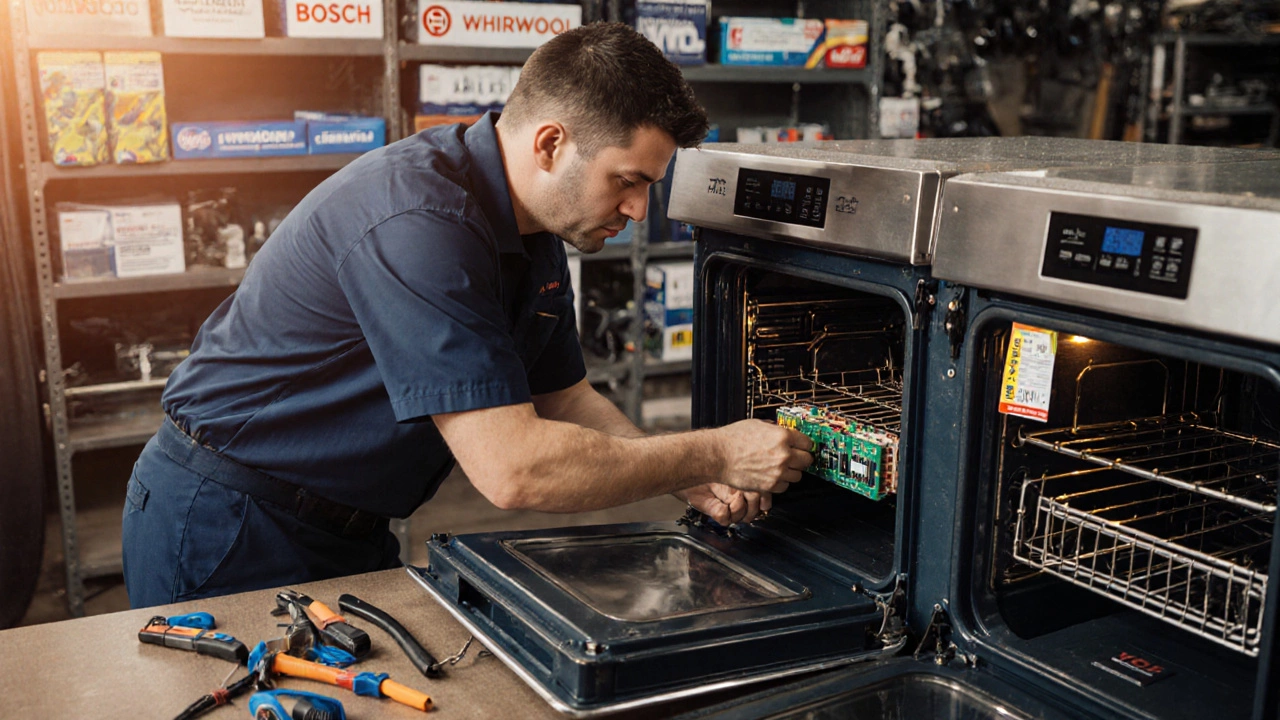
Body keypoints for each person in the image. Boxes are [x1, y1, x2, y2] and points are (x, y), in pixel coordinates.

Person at [121, 22, 813, 608]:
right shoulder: (420, 220)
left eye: (648, 188)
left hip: (347, 525)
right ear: (550, 144)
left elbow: (564, 397)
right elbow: (515, 471)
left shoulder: (537, 229)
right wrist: (715, 450)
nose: (638, 210)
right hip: (229, 521)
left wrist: (688, 478)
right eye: (626, 181)